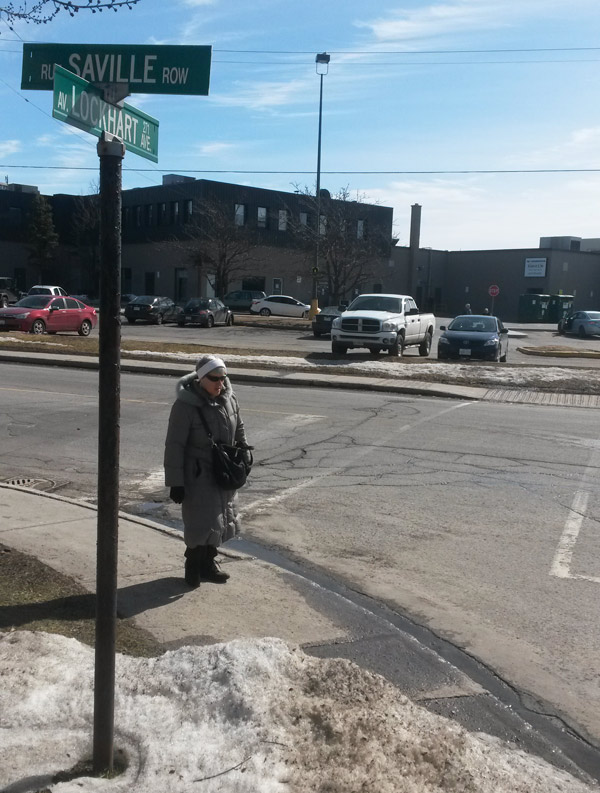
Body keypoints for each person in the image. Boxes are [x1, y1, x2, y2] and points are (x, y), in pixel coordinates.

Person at [164, 354, 250, 587]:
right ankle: (192, 566)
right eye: (214, 379)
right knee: (200, 524)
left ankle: (209, 564)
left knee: (220, 521)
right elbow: (174, 445)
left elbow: (239, 427)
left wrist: (242, 452)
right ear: (201, 378)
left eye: (223, 378)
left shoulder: (229, 400)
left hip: (223, 472)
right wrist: (176, 482)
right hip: (198, 475)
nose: (220, 384)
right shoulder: (185, 406)